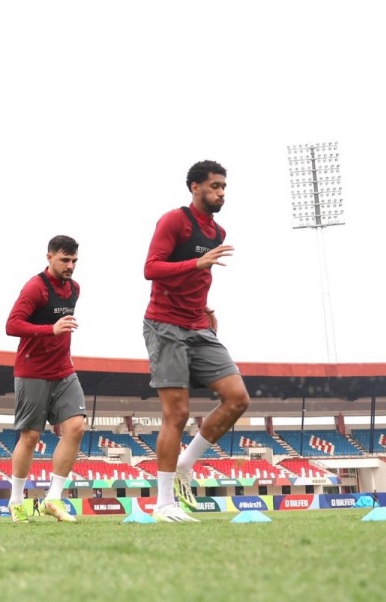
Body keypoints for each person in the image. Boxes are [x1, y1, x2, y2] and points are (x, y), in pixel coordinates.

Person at [142, 160, 249, 523]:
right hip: (165, 325)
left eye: (223, 187)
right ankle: (163, 504)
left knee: (237, 399)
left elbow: (198, 277)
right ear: (195, 188)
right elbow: (151, 269)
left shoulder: (218, 232)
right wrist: (197, 264)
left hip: (198, 325)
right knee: (177, 414)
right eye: (214, 186)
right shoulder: (174, 221)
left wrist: (204, 307)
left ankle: (187, 464)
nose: (221, 193)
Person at [4, 235, 87, 524]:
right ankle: (16, 501)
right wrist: (49, 330)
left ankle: (53, 499)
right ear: (49, 257)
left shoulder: (74, 289)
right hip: (32, 370)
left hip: (64, 369)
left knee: (76, 426)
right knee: (31, 436)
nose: (70, 266)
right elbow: (12, 325)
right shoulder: (35, 288)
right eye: (65, 260)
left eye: (74, 260)